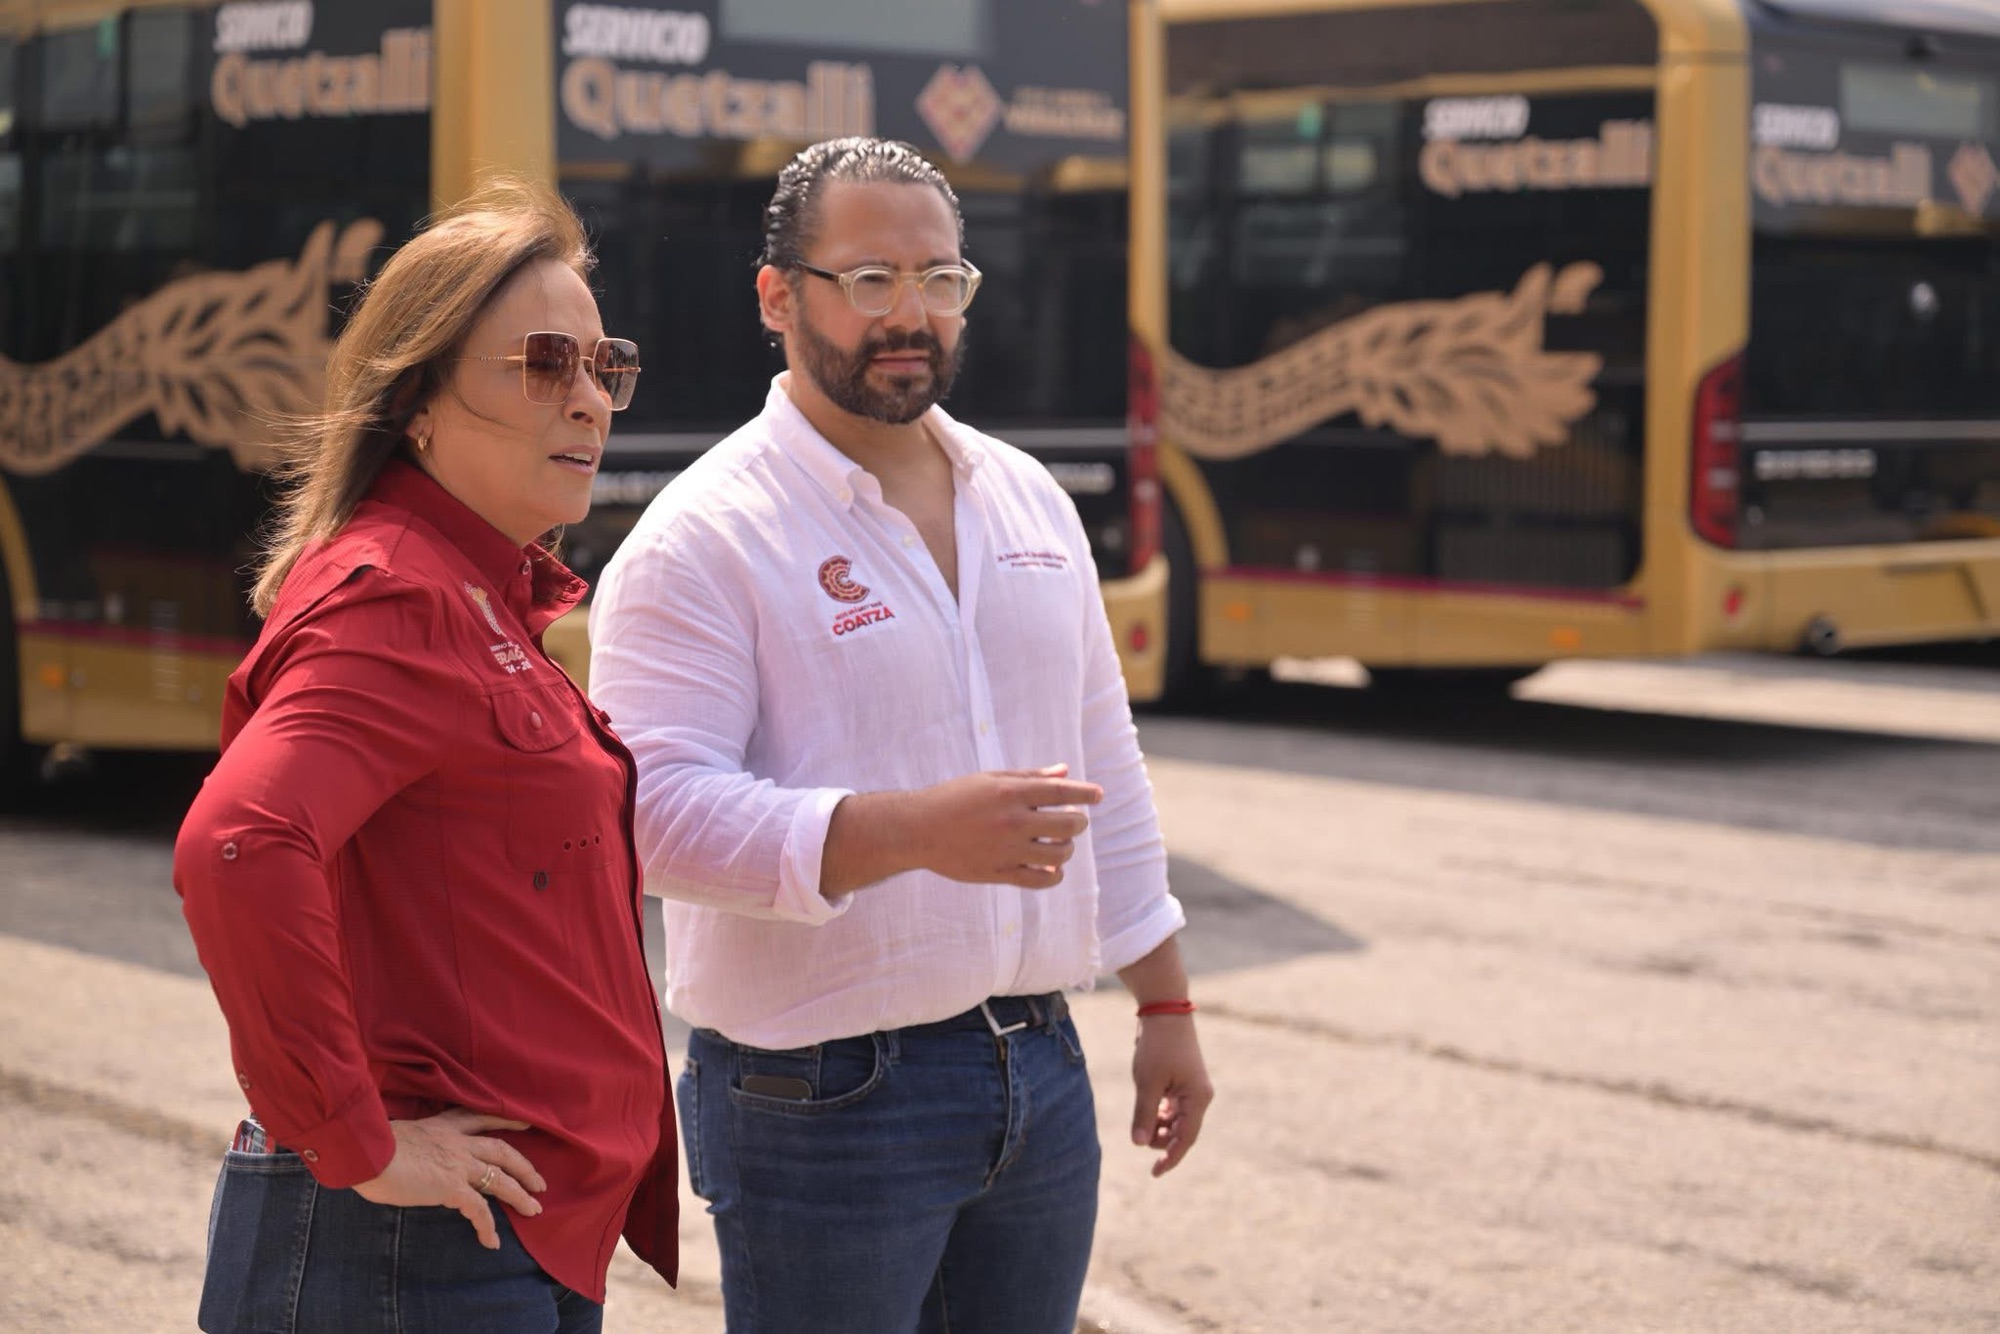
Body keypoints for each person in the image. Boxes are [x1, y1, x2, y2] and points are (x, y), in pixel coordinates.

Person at [587, 137, 1214, 1334]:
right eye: (869, 279)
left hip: (1038, 1065)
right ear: (777, 296)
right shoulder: (702, 535)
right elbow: (646, 813)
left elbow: (1103, 765)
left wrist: (1166, 1005)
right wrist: (908, 832)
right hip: (821, 1099)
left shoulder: (1025, 496)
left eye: (939, 278)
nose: (910, 313)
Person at [173, 179, 677, 1334]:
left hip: (492, 1240)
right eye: (543, 364)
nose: (588, 398)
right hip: (410, 1252)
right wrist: (359, 1140)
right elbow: (240, 841)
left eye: (605, 367)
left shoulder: (478, 590)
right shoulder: (396, 593)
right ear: (416, 405)